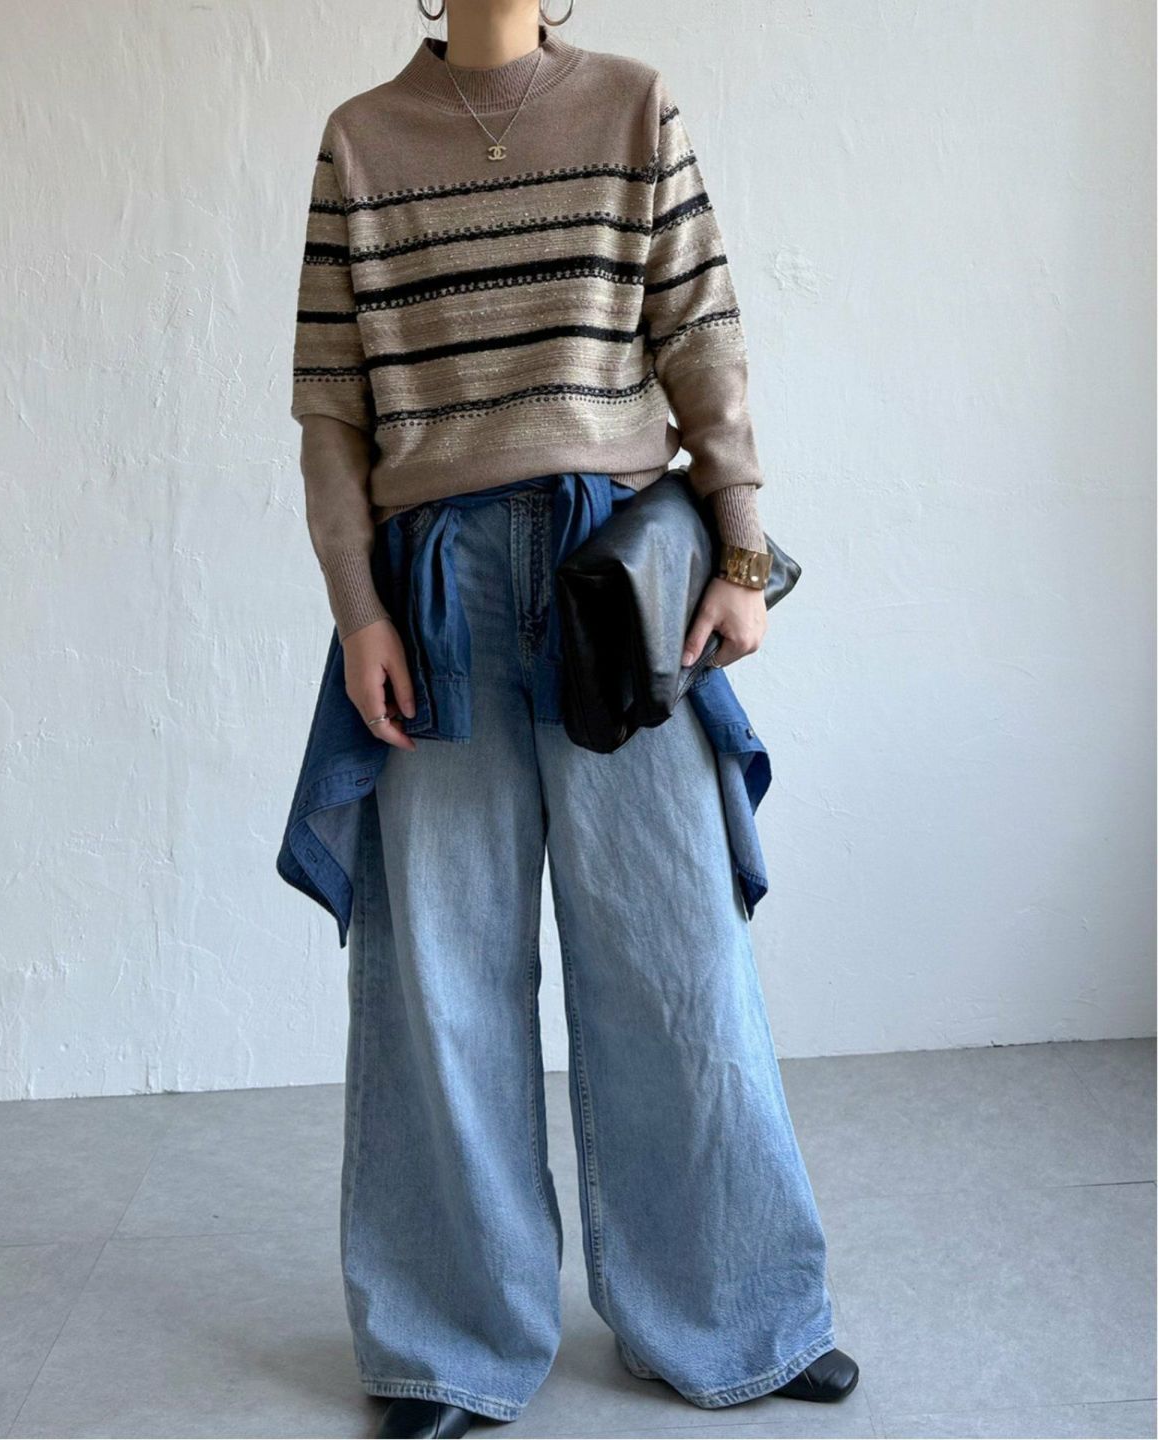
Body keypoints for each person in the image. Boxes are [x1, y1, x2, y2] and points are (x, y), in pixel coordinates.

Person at [281, 2, 858, 1435]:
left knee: (677, 955)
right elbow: (332, 411)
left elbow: (703, 342)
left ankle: (734, 1310)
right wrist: (358, 613)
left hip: (618, 580)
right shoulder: (361, 142)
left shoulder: (633, 106)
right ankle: (446, 1340)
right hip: (438, 594)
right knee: (438, 979)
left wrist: (740, 552)